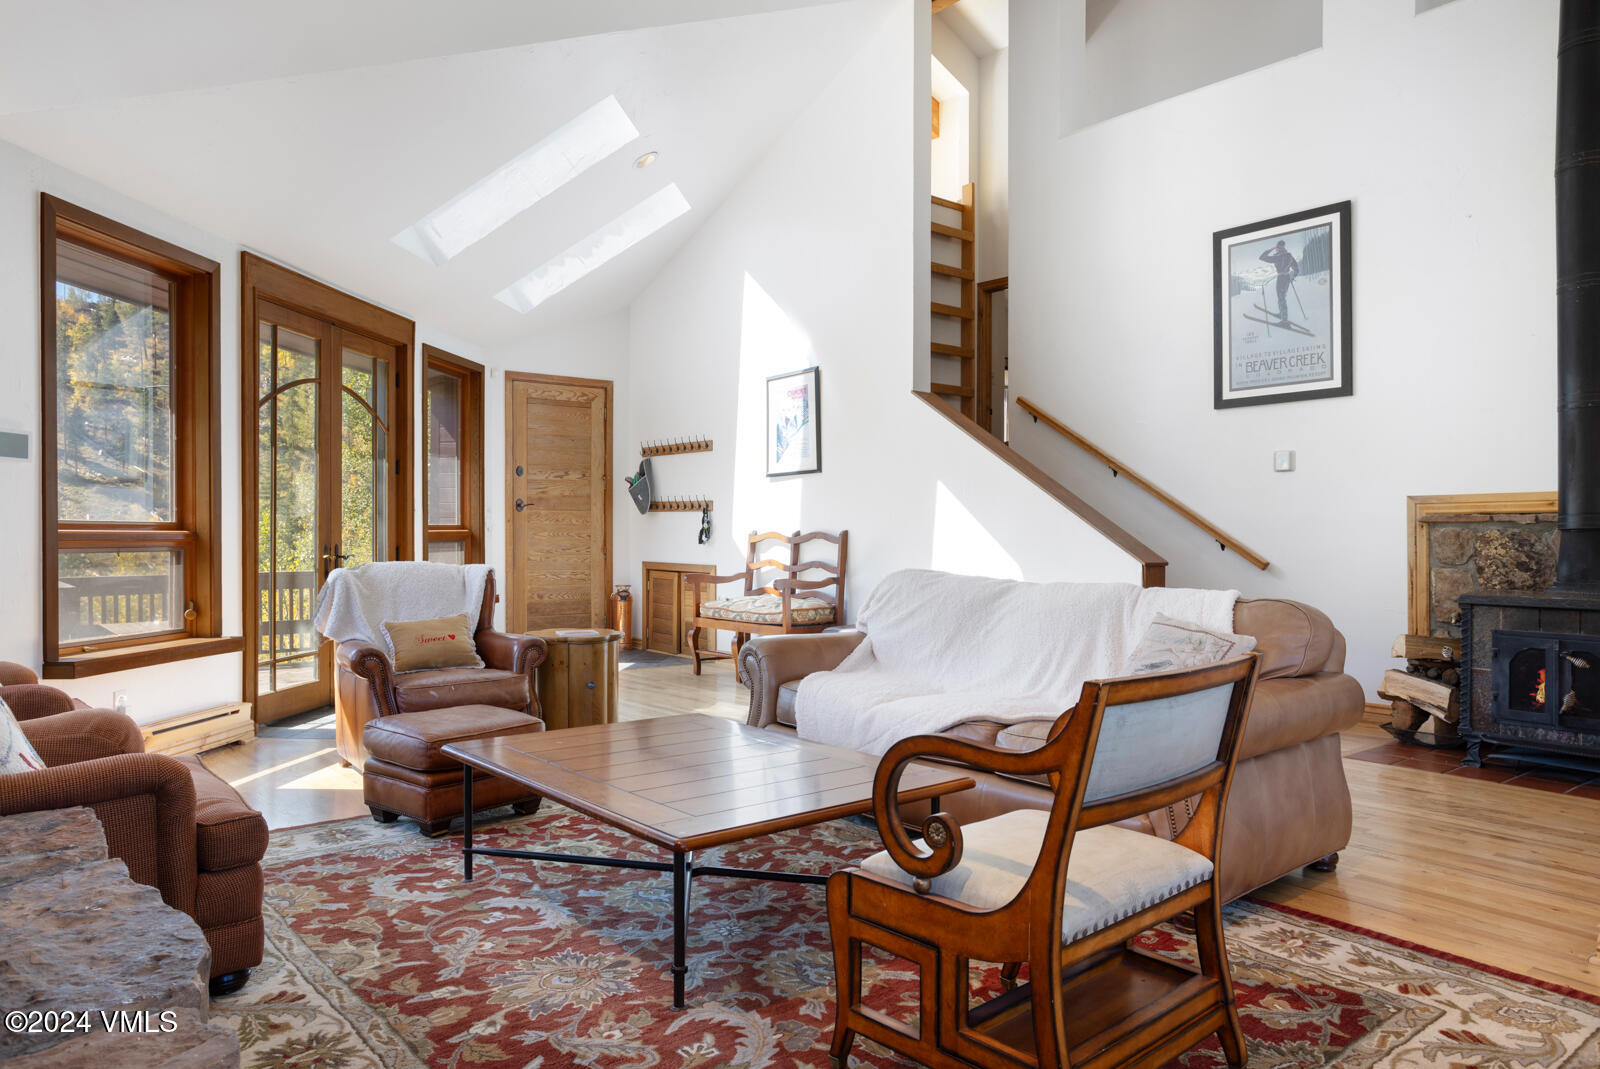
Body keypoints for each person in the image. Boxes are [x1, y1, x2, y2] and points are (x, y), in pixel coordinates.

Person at [1259, 239, 1299, 323]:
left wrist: (1271, 249)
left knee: (1281, 298)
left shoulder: (1277, 257)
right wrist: (1292, 276)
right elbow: (1296, 269)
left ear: (1278, 248)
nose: (1276, 249)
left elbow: (1261, 257)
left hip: (1281, 279)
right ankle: (1282, 314)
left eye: (1277, 248)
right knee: (1282, 296)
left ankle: (1284, 320)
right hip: (1287, 278)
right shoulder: (1289, 256)